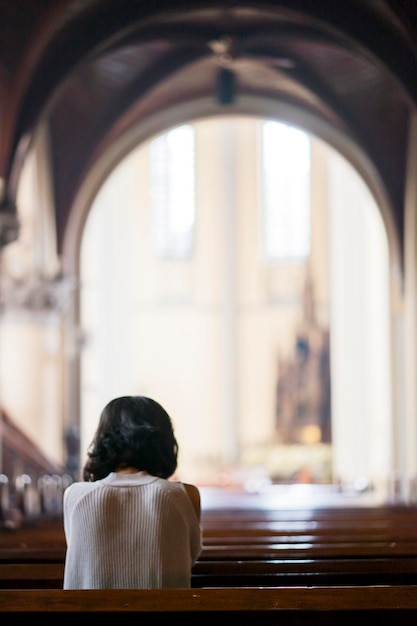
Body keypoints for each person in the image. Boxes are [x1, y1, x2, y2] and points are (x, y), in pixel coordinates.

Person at [62, 395, 202, 589]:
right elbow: (188, 558)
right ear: (164, 441)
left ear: (103, 439)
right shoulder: (184, 495)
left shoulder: (75, 495)